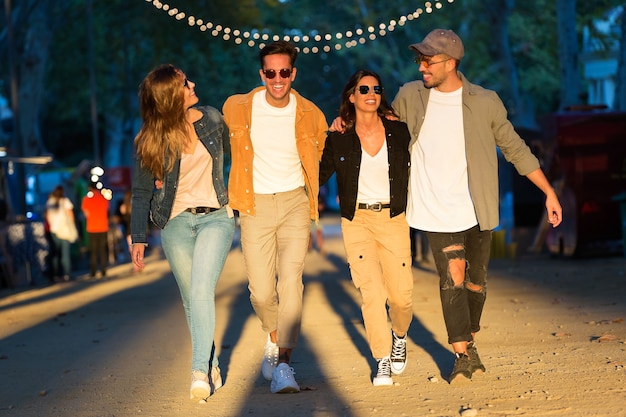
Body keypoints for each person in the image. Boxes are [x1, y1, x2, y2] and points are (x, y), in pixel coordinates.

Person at [332, 29, 563, 384]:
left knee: (475, 284)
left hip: (476, 208)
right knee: (451, 278)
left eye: (429, 60)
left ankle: (467, 334)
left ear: (451, 63)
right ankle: (461, 353)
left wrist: (548, 191)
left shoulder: (485, 101)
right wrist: (346, 123)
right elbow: (382, 125)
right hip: (432, 209)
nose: (422, 66)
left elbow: (515, 148)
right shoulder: (411, 95)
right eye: (419, 60)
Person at [222, 40, 328, 394]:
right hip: (254, 206)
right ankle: (272, 336)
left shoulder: (311, 114)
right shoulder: (237, 107)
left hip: (296, 202)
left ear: (293, 73)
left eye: (284, 72)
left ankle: (284, 363)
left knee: (291, 282)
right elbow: (209, 140)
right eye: (271, 72)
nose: (278, 78)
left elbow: (327, 158)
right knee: (262, 290)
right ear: (262, 74)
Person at [130, 64, 235, 402]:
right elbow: (141, 191)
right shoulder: (150, 139)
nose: (194, 84)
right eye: (185, 83)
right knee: (192, 298)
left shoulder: (212, 119)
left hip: (216, 217)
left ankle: (198, 371)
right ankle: (212, 363)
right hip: (174, 222)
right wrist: (138, 238)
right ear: (171, 96)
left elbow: (232, 160)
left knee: (202, 291)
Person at [320, 70, 413, 386]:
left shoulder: (399, 131)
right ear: (352, 96)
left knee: (401, 297)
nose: (371, 92)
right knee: (371, 293)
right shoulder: (339, 136)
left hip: (393, 219)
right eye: (363, 88)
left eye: (376, 88)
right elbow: (318, 174)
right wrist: (322, 134)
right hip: (356, 222)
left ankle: (399, 334)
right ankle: (382, 359)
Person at [45, 185, 77, 281]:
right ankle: (67, 274)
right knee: (65, 254)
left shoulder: (50, 202)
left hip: (54, 230)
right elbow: (71, 216)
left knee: (55, 253)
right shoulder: (65, 201)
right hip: (64, 230)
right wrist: (73, 227)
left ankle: (56, 274)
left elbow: (46, 216)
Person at [81, 183, 110, 278]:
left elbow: (86, 214)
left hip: (92, 228)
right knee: (102, 250)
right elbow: (107, 210)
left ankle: (93, 272)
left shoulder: (86, 200)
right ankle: (103, 270)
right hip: (103, 227)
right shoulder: (104, 198)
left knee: (93, 251)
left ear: (90, 188)